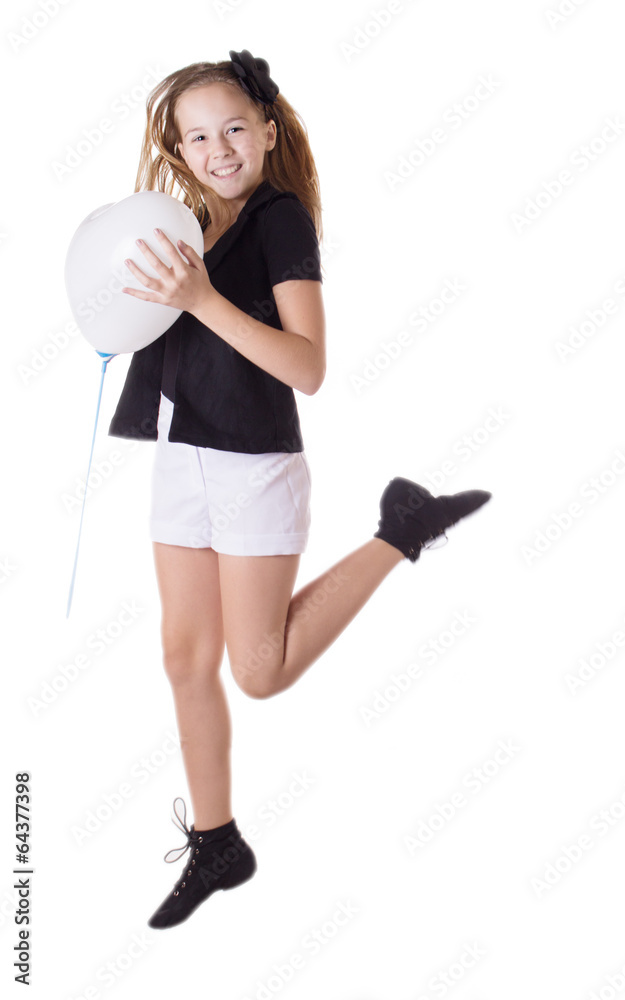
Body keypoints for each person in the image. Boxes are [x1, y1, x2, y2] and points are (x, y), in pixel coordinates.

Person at [107, 49, 492, 930]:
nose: (219, 148)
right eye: (197, 137)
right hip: (180, 460)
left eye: (234, 128)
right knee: (181, 659)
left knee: (259, 670)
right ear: (177, 152)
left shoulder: (281, 220)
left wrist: (201, 300)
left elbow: (307, 367)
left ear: (268, 131)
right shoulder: (185, 225)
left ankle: (400, 530)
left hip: (251, 467)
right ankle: (217, 842)